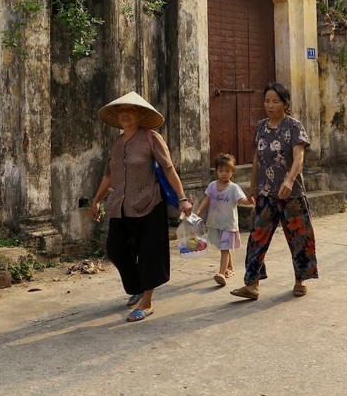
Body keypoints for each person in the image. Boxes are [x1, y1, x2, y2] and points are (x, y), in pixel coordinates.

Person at [91, 91, 193, 322]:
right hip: (120, 205)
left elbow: (168, 168)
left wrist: (182, 198)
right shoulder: (117, 143)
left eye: (131, 110)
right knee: (115, 249)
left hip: (149, 202)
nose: (125, 114)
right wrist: (96, 200)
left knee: (149, 253)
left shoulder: (151, 137)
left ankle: (147, 302)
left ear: (140, 115)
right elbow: (108, 175)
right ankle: (137, 286)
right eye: (122, 111)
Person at [231, 83, 318, 300]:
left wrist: (289, 180)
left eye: (275, 102)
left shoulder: (294, 126)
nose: (270, 106)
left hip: (291, 193)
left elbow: (299, 157)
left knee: (299, 238)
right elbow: (257, 158)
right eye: (267, 101)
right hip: (265, 193)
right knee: (257, 237)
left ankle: (300, 280)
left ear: (285, 103)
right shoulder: (261, 126)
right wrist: (253, 186)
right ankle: (252, 285)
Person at [195, 153, 253, 287]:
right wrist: (199, 211)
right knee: (223, 247)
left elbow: (242, 200)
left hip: (228, 224)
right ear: (216, 171)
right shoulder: (212, 186)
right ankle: (230, 268)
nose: (224, 174)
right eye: (221, 170)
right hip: (215, 222)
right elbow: (207, 199)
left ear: (232, 172)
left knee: (224, 249)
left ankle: (221, 273)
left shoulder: (234, 188)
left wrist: (250, 201)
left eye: (227, 171)